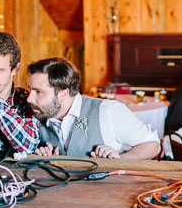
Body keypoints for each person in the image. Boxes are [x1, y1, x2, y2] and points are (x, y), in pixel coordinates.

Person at [26, 57, 160, 159]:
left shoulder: (109, 111)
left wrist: (119, 160)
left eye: (39, 92)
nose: (29, 99)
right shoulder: (37, 114)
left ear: (63, 94)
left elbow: (152, 145)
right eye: (30, 90)